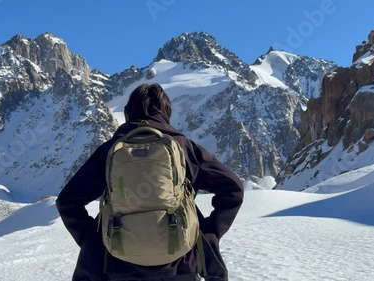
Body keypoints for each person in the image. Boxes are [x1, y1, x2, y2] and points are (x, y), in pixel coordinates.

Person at [57, 83, 244, 281]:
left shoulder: (110, 150)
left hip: (116, 268)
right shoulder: (184, 148)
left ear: (128, 112)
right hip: (182, 266)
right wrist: (208, 233)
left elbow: (68, 201)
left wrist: (94, 240)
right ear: (166, 112)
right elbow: (233, 188)